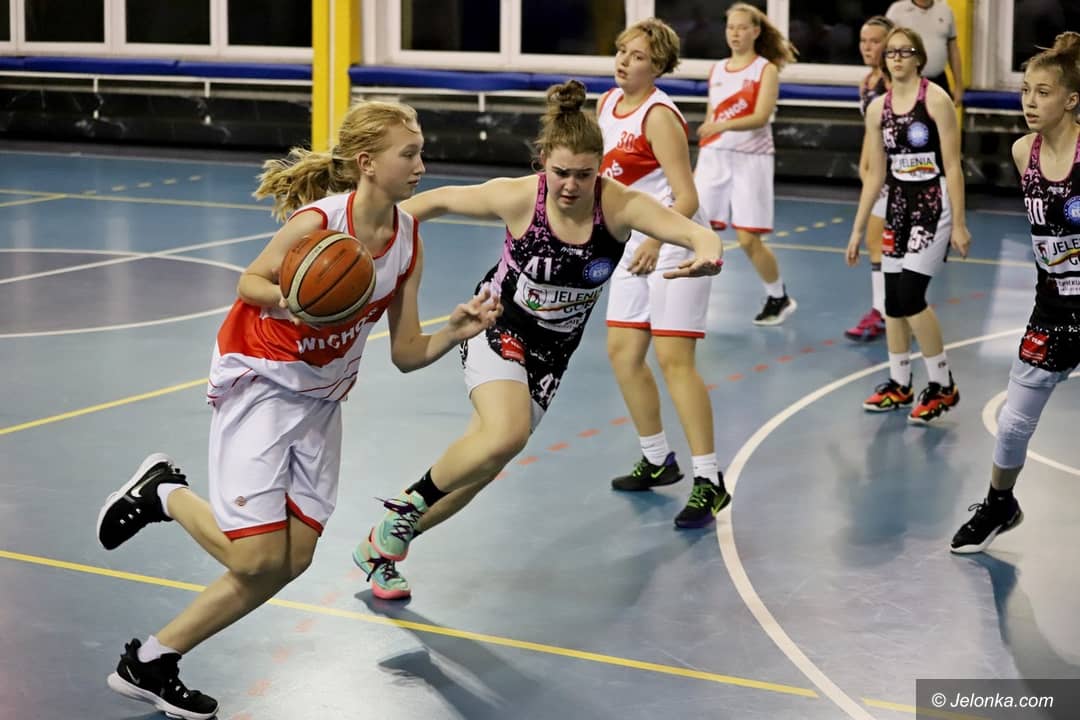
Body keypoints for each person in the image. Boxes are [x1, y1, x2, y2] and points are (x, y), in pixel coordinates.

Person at [94, 100, 501, 719]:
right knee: (254, 558)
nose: (422, 164)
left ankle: (151, 662)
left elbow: (407, 353)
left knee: (292, 559)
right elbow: (249, 282)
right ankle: (164, 494)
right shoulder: (320, 222)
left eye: (420, 152)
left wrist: (457, 329)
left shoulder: (408, 241)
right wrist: (295, 302)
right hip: (262, 383)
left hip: (321, 400)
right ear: (367, 163)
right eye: (410, 153)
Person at [351, 80, 724, 600]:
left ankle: (382, 547)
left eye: (584, 175)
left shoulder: (619, 207)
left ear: (602, 168)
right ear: (543, 161)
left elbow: (692, 230)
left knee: (484, 464)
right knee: (506, 434)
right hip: (495, 324)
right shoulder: (521, 197)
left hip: (552, 355)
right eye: (560, 172)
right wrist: (357, 230)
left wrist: (709, 251)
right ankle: (405, 509)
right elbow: (436, 201)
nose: (570, 185)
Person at [596, 17, 730, 527]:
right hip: (634, 244)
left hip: (675, 244)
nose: (624, 61)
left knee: (675, 361)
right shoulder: (607, 104)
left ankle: (709, 480)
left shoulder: (658, 116)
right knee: (623, 352)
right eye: (622, 51)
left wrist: (656, 239)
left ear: (658, 66)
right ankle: (657, 459)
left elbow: (687, 194)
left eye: (637, 56)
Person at [951, 32, 1080, 553]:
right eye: (1026, 91)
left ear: (1071, 100)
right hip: (1051, 308)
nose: (1029, 101)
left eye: (1043, 92)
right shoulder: (1023, 150)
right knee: (1011, 425)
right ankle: (999, 504)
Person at [845, 27, 971, 423]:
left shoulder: (935, 100)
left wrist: (960, 223)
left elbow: (953, 166)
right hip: (897, 206)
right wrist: (857, 229)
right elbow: (875, 175)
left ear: (919, 58)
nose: (897, 58)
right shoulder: (877, 109)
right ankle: (900, 383)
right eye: (891, 52)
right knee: (892, 303)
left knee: (911, 295)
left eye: (905, 51)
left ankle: (943, 384)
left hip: (933, 204)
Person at [694, 2, 799, 326]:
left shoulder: (765, 70)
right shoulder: (717, 70)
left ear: (755, 31)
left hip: (751, 158)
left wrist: (721, 125)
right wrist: (704, 152)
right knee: (694, 229)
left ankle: (778, 296)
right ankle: (687, 301)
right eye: (731, 27)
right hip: (715, 156)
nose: (735, 33)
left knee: (747, 239)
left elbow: (761, 116)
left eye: (742, 27)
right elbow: (712, 116)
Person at [845, 15, 894, 342]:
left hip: (897, 177)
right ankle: (884, 311)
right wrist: (865, 168)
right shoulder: (867, 82)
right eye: (864, 41)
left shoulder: (892, 85)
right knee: (876, 241)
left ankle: (891, 312)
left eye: (875, 41)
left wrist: (882, 173)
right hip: (877, 176)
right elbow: (870, 132)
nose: (867, 47)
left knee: (885, 243)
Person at [885, 0, 962, 98]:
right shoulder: (896, 10)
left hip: (939, 81)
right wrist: (886, 80)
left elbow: (953, 50)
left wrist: (958, 85)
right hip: (906, 82)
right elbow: (884, 47)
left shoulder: (945, 11)